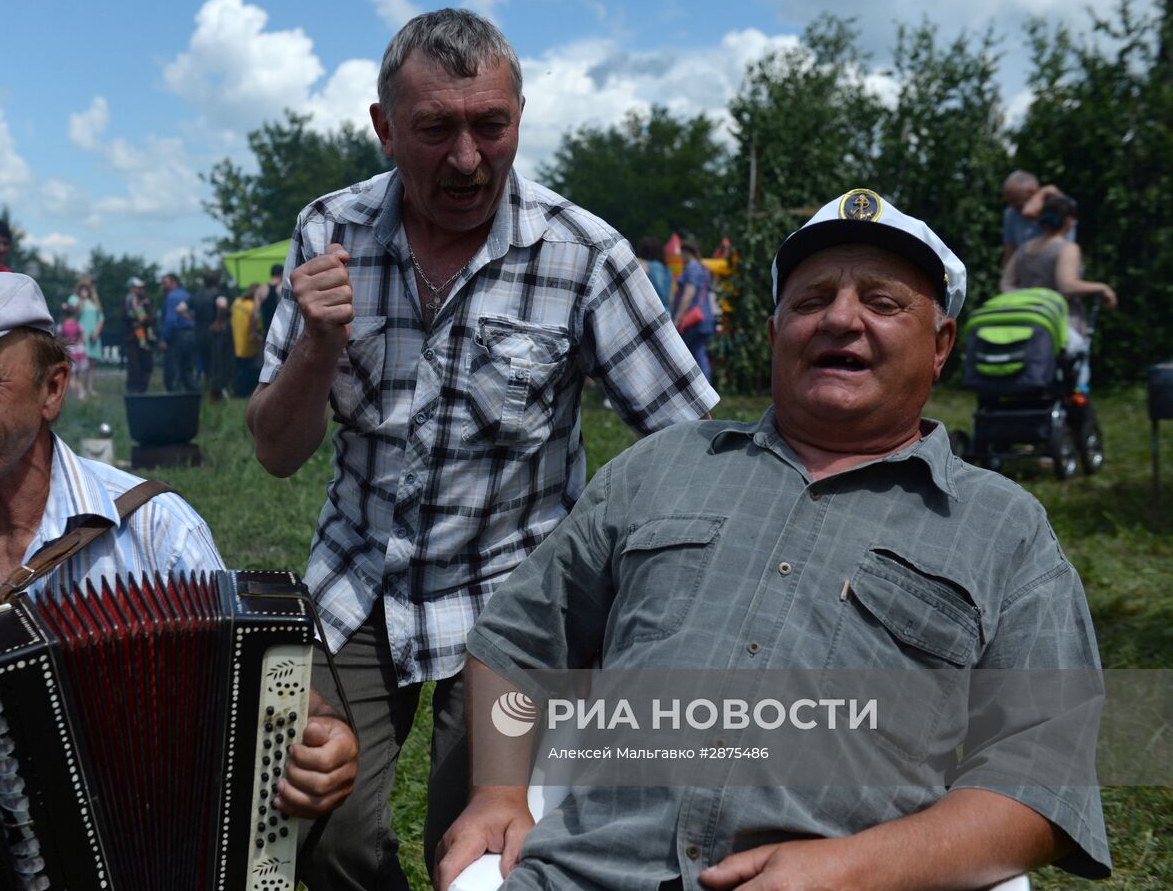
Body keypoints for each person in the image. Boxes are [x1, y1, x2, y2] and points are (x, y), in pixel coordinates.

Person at [438, 188, 1110, 891]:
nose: (841, 319)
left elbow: (1044, 776)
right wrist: (499, 793)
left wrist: (850, 870)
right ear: (774, 331)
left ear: (940, 345)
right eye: (812, 300)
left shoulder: (1004, 527)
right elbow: (519, 634)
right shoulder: (662, 466)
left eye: (882, 304)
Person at [246, 8, 718, 891]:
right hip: (357, 583)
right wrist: (315, 345)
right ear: (385, 129)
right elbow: (275, 453)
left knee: (483, 855)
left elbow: (691, 442)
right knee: (312, 827)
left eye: (489, 125)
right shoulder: (329, 232)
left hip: (516, 603)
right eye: (434, 129)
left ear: (519, 119)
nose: (466, 158)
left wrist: (634, 589)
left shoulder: (583, 253)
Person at [0, 273, 357, 891]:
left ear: (52, 389)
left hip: (159, 864)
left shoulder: (154, 525)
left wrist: (320, 742)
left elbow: (260, 697)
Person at [1001, 193, 1116, 390]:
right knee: (1074, 377)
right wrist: (1102, 287)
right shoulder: (1067, 248)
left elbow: (1005, 284)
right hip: (1062, 325)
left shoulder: (1024, 249)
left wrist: (1030, 299)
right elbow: (1067, 286)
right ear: (1068, 220)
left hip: (1027, 323)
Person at [1000, 170, 1073, 266]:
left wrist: (1041, 194)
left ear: (1032, 191)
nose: (1013, 206)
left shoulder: (1058, 206)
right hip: (1027, 271)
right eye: (1009, 201)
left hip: (1057, 266)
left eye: (1015, 200)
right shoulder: (1010, 213)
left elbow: (1028, 212)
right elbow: (1009, 252)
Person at [671, 239, 714, 380]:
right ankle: (705, 387)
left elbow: (689, 293)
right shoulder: (704, 268)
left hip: (693, 320)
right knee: (699, 353)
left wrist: (678, 317)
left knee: (685, 355)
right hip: (705, 317)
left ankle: (693, 388)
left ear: (686, 252)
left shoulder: (692, 268)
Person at [159, 273, 198, 392]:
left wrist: (164, 338)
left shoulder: (171, 297)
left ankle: (173, 397)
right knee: (187, 369)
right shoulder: (188, 295)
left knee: (173, 369)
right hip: (191, 334)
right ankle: (194, 395)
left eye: (165, 282)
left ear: (174, 282)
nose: (162, 286)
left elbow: (170, 319)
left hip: (177, 336)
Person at [68, 277, 105, 398]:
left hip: (94, 335)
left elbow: (101, 318)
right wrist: (81, 302)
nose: (85, 290)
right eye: (83, 287)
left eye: (87, 288)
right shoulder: (74, 299)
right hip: (80, 336)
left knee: (92, 363)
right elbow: (72, 314)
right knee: (80, 363)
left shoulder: (94, 302)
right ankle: (80, 389)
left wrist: (97, 332)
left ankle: (90, 388)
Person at [122, 276, 155, 393]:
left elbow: (151, 318)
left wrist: (143, 319)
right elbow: (125, 317)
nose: (140, 290)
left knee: (147, 364)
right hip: (133, 337)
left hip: (146, 337)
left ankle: (143, 388)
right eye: (137, 287)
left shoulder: (147, 302)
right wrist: (135, 321)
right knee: (134, 365)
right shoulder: (127, 300)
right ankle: (133, 389)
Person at [231, 284, 262, 398]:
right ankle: (246, 393)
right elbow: (258, 325)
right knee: (249, 370)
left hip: (236, 342)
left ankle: (240, 392)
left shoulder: (236, 303)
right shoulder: (252, 307)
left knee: (240, 370)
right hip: (248, 343)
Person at [58, 302, 88, 400]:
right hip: (79, 350)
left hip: (70, 351)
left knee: (71, 376)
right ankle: (80, 393)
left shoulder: (62, 326)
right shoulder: (78, 325)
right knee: (79, 375)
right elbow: (84, 339)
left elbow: (59, 340)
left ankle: (79, 393)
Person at [635, 235, 672, 311]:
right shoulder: (667, 268)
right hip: (666, 310)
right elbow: (670, 295)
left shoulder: (644, 265)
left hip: (650, 311)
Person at [257, 263, 284, 333]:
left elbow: (255, 314)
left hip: (267, 329)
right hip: (281, 329)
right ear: (282, 274)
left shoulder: (261, 289)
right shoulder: (282, 288)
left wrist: (254, 331)